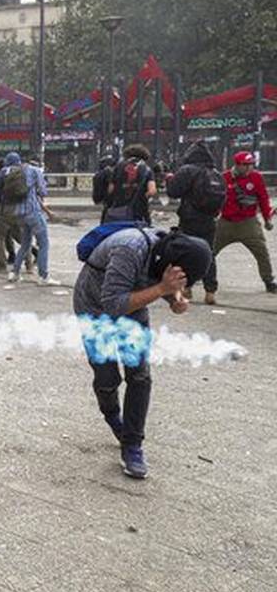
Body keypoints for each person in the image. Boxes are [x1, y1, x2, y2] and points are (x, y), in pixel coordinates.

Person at [72, 226, 211, 478]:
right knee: (107, 378)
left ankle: (132, 444)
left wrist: (175, 298)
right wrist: (162, 289)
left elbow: (159, 278)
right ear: (172, 262)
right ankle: (113, 417)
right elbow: (113, 305)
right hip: (95, 309)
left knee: (139, 376)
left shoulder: (166, 253)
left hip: (132, 309)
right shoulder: (129, 249)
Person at [165, 142, 225, 304]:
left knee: (186, 252)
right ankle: (210, 291)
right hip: (209, 219)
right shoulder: (215, 173)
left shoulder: (187, 170)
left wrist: (169, 178)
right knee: (209, 253)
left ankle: (187, 288)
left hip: (189, 219)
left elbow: (173, 192)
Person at [215, 151, 275, 294]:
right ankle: (199, 275)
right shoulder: (225, 178)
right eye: (245, 165)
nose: (249, 168)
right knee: (209, 251)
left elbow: (263, 199)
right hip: (226, 222)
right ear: (237, 165)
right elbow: (216, 199)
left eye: (251, 164)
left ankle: (269, 281)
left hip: (248, 222)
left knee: (262, 252)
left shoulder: (256, 177)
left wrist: (267, 219)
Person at [3, 152, 59, 286]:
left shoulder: (15, 172)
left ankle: (15, 273)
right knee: (44, 243)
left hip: (20, 214)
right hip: (33, 212)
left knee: (25, 244)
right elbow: (43, 191)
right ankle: (43, 276)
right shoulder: (35, 171)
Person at [105, 144, 157, 224]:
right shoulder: (147, 169)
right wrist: (143, 197)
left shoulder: (118, 167)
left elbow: (110, 189)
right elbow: (152, 191)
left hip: (118, 210)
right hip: (139, 211)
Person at [91, 155, 117, 223]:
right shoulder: (108, 173)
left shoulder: (98, 174)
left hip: (100, 199)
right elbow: (110, 187)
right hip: (108, 200)